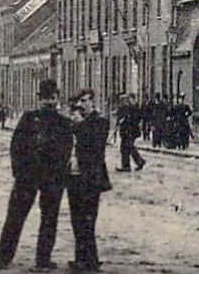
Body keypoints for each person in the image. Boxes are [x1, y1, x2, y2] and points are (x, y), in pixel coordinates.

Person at [0, 79, 73, 272]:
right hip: (27, 178)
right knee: (15, 218)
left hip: (51, 179)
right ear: (39, 99)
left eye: (51, 98)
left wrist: (58, 175)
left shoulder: (63, 123)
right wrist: (19, 173)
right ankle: (3, 258)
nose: (48, 102)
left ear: (57, 98)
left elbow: (66, 151)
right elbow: (16, 147)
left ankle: (43, 260)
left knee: (49, 220)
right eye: (45, 99)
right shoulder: (28, 119)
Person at [66, 89, 112, 273]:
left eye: (85, 101)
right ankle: (82, 259)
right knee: (77, 220)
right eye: (80, 102)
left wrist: (78, 125)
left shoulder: (100, 122)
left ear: (93, 102)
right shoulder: (75, 122)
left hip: (91, 179)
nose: (82, 105)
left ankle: (90, 261)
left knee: (88, 220)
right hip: (74, 178)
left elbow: (96, 145)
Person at [114, 94, 145, 173]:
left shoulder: (127, 108)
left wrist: (120, 121)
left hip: (128, 132)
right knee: (128, 148)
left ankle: (133, 164)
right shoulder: (128, 108)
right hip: (128, 132)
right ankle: (132, 164)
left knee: (127, 148)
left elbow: (126, 120)